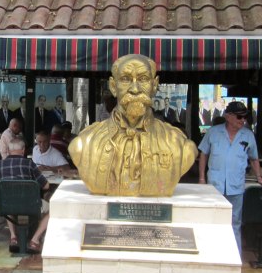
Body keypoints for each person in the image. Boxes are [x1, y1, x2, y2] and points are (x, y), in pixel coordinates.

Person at [69, 54, 197, 197]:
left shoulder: (180, 146)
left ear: (154, 86)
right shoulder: (83, 145)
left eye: (143, 79)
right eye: (125, 79)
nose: (135, 89)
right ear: (113, 86)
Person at [198, 101, 262, 253]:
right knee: (213, 220)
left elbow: (254, 158)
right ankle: (212, 252)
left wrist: (259, 177)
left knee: (235, 222)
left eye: (245, 117)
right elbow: (203, 154)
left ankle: (234, 254)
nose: (242, 120)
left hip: (236, 187)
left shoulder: (248, 135)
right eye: (239, 117)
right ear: (228, 116)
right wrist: (201, 179)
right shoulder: (213, 132)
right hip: (215, 186)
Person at [0, 138, 50, 253]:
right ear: (23, 150)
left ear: (8, 150)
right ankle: (35, 240)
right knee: (54, 209)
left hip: (8, 206)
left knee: (9, 201)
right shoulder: (29, 164)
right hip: (30, 205)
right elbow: (46, 186)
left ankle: (13, 237)